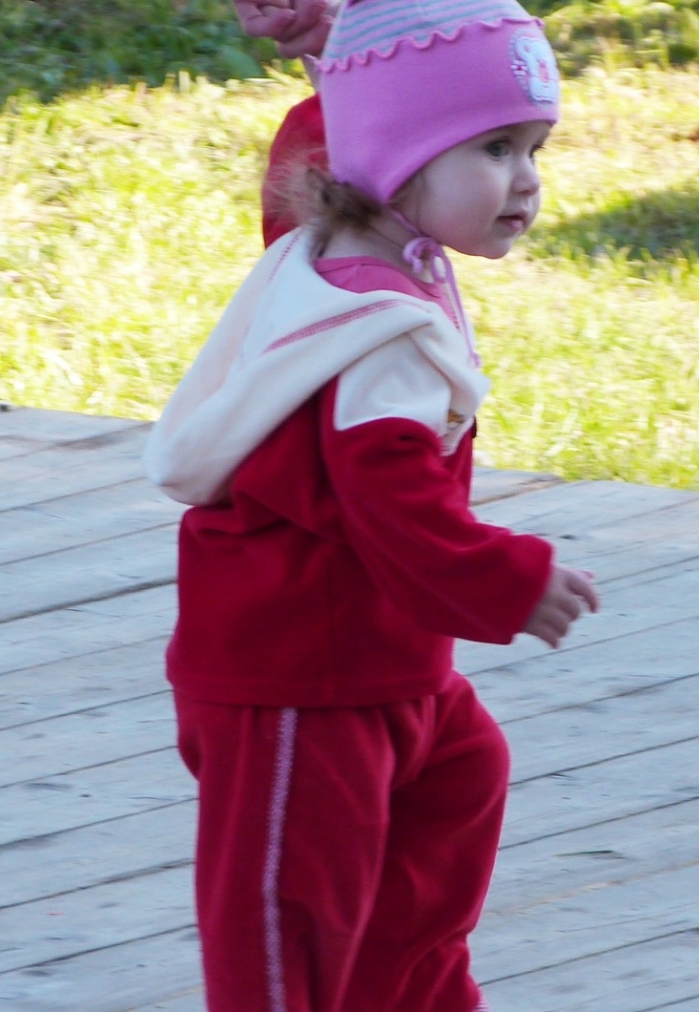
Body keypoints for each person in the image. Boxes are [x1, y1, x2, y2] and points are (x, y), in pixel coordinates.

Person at [142, 1, 597, 1008]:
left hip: (381, 661)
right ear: (395, 161)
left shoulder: (373, 245)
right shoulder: (368, 326)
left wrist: (345, 33)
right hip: (298, 679)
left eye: (534, 148)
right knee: (287, 923)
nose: (527, 179)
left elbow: (348, 124)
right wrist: (509, 580)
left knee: (458, 786)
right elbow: (392, 503)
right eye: (494, 149)